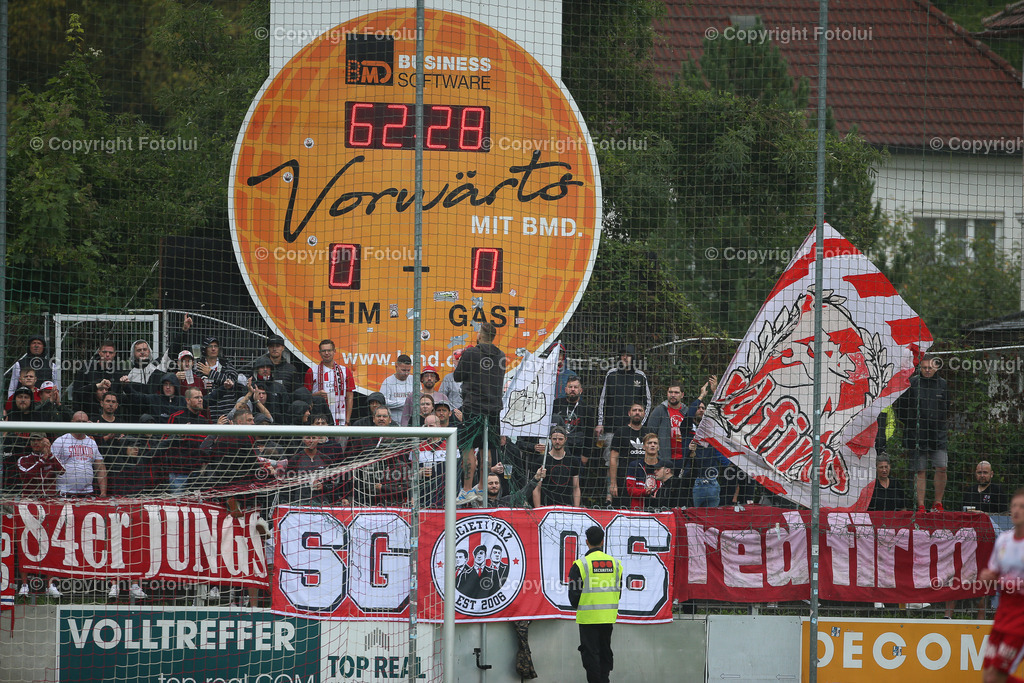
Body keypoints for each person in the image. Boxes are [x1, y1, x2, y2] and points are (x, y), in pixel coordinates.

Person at [453, 322, 505, 505]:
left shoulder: (471, 352)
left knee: (467, 447)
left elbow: (457, 376)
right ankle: (482, 487)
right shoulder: (501, 355)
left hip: (473, 406)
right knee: (487, 447)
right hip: (493, 409)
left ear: (479, 335)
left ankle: (467, 490)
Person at [979, 488, 1024, 683]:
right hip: (1002, 615)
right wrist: (988, 576)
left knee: (997, 677)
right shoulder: (1004, 540)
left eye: (1022, 507)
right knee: (988, 675)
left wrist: (1006, 581)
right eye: (1014, 506)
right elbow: (993, 572)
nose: (1016, 510)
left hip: (1020, 618)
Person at [568, 525, 622, 683]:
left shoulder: (580, 564)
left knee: (591, 656)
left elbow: (573, 594)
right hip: (607, 618)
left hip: (588, 618)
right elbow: (619, 592)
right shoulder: (615, 564)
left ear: (587, 542)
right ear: (602, 541)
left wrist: (583, 605)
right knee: (605, 653)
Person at [895, 355, 949, 513]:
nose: (927, 370)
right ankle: (920, 505)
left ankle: (938, 503)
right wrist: (912, 424)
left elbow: (947, 408)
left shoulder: (943, 385)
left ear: (936, 367)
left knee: (942, 466)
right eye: (924, 368)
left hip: (938, 435)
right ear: (920, 368)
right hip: (917, 434)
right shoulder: (912, 384)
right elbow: (901, 409)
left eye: (930, 368)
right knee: (920, 470)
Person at [595, 343, 651, 465]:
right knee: (611, 463)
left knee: (633, 462)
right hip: (612, 429)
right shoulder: (611, 374)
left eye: (629, 355)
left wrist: (641, 422)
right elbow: (603, 400)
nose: (625, 358)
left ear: (633, 358)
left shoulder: (640, 376)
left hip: (633, 430)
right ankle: (611, 484)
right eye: (623, 355)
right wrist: (600, 423)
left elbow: (648, 402)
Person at [52, 412, 107, 497]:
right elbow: (50, 466)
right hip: (65, 493)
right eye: (78, 421)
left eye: (84, 422)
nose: (81, 424)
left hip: (87, 493)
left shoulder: (92, 443)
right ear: (72, 422)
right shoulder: (61, 441)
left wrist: (103, 492)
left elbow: (100, 468)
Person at [607, 403, 651, 507]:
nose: (637, 413)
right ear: (629, 413)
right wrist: (613, 483)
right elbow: (613, 459)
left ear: (644, 414)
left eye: (640, 410)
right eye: (634, 410)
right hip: (624, 479)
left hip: (644, 480)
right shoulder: (621, 432)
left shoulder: (648, 433)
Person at [305, 339, 355, 427]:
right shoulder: (312, 371)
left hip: (341, 420)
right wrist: (317, 394)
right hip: (319, 420)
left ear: (334, 351)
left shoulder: (345, 371)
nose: (326, 353)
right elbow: (305, 397)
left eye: (329, 350)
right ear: (319, 353)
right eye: (324, 351)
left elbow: (350, 397)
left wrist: (347, 421)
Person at [532, 426, 581, 507]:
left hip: (567, 506)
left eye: (560, 439)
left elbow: (576, 488)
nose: (557, 442)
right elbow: (536, 489)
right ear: (551, 439)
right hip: (547, 506)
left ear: (565, 439)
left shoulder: (573, 461)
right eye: (554, 439)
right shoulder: (542, 461)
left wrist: (576, 509)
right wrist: (538, 511)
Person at [624, 434, 669, 511]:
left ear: (658, 447)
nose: (652, 445)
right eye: (649, 443)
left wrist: (659, 493)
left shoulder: (664, 466)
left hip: (660, 511)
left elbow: (669, 489)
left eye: (655, 443)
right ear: (643, 447)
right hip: (638, 511)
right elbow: (630, 490)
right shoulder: (634, 465)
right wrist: (645, 491)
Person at [645, 383, 687, 463]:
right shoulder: (659, 410)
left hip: (683, 458)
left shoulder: (686, 412)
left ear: (682, 395)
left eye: (676, 392)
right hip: (664, 459)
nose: (673, 395)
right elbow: (650, 434)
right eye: (670, 392)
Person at [379, 354, 414, 424]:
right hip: (392, 423)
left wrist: (396, 404)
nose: (406, 373)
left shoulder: (414, 380)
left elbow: (419, 401)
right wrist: (407, 403)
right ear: (396, 367)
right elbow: (383, 402)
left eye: (408, 370)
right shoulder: (388, 382)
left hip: (411, 422)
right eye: (403, 370)